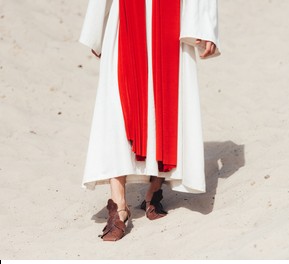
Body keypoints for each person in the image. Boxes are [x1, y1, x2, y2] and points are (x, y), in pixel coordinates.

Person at [79, 0, 220, 241]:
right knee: (116, 109)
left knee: (164, 102)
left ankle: (155, 188)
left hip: (171, 16)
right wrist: (96, 25)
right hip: (124, 16)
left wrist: (205, 25)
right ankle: (119, 204)